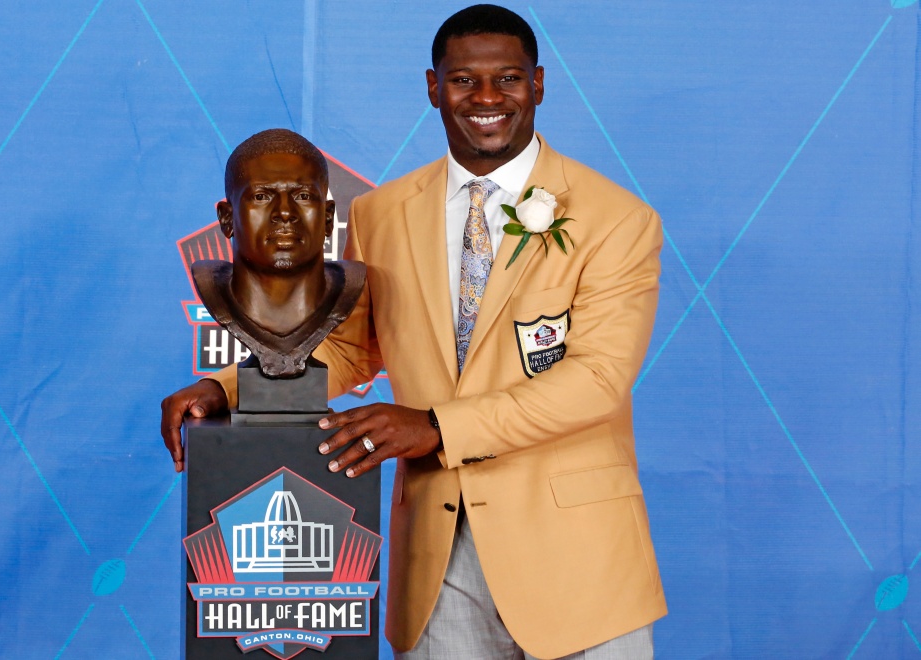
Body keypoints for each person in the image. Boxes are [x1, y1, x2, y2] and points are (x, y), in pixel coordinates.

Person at [162, 5, 666, 658]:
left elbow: (597, 380)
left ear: (538, 84)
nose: (487, 98)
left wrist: (435, 426)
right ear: (433, 87)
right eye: (463, 80)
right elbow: (353, 350)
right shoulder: (383, 213)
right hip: (435, 560)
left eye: (508, 78)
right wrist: (226, 388)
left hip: (578, 564)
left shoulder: (615, 218)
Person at [189, 128, 366, 379]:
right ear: (227, 219)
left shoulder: (350, 287)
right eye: (261, 196)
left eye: (303, 196)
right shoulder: (213, 287)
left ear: (328, 218)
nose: (284, 212)